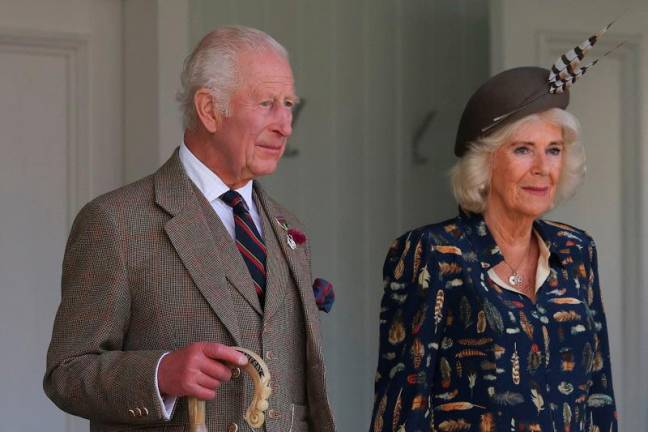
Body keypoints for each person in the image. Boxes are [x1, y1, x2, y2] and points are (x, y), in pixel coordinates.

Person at [44, 26, 335, 432]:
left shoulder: (290, 228)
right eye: (267, 103)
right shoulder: (116, 221)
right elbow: (66, 373)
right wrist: (159, 373)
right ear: (209, 109)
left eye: (289, 104)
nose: (285, 124)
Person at [370, 64, 618, 430]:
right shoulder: (433, 253)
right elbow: (401, 410)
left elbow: (599, 394)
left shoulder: (576, 250)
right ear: (484, 161)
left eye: (553, 150)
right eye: (523, 150)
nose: (542, 167)